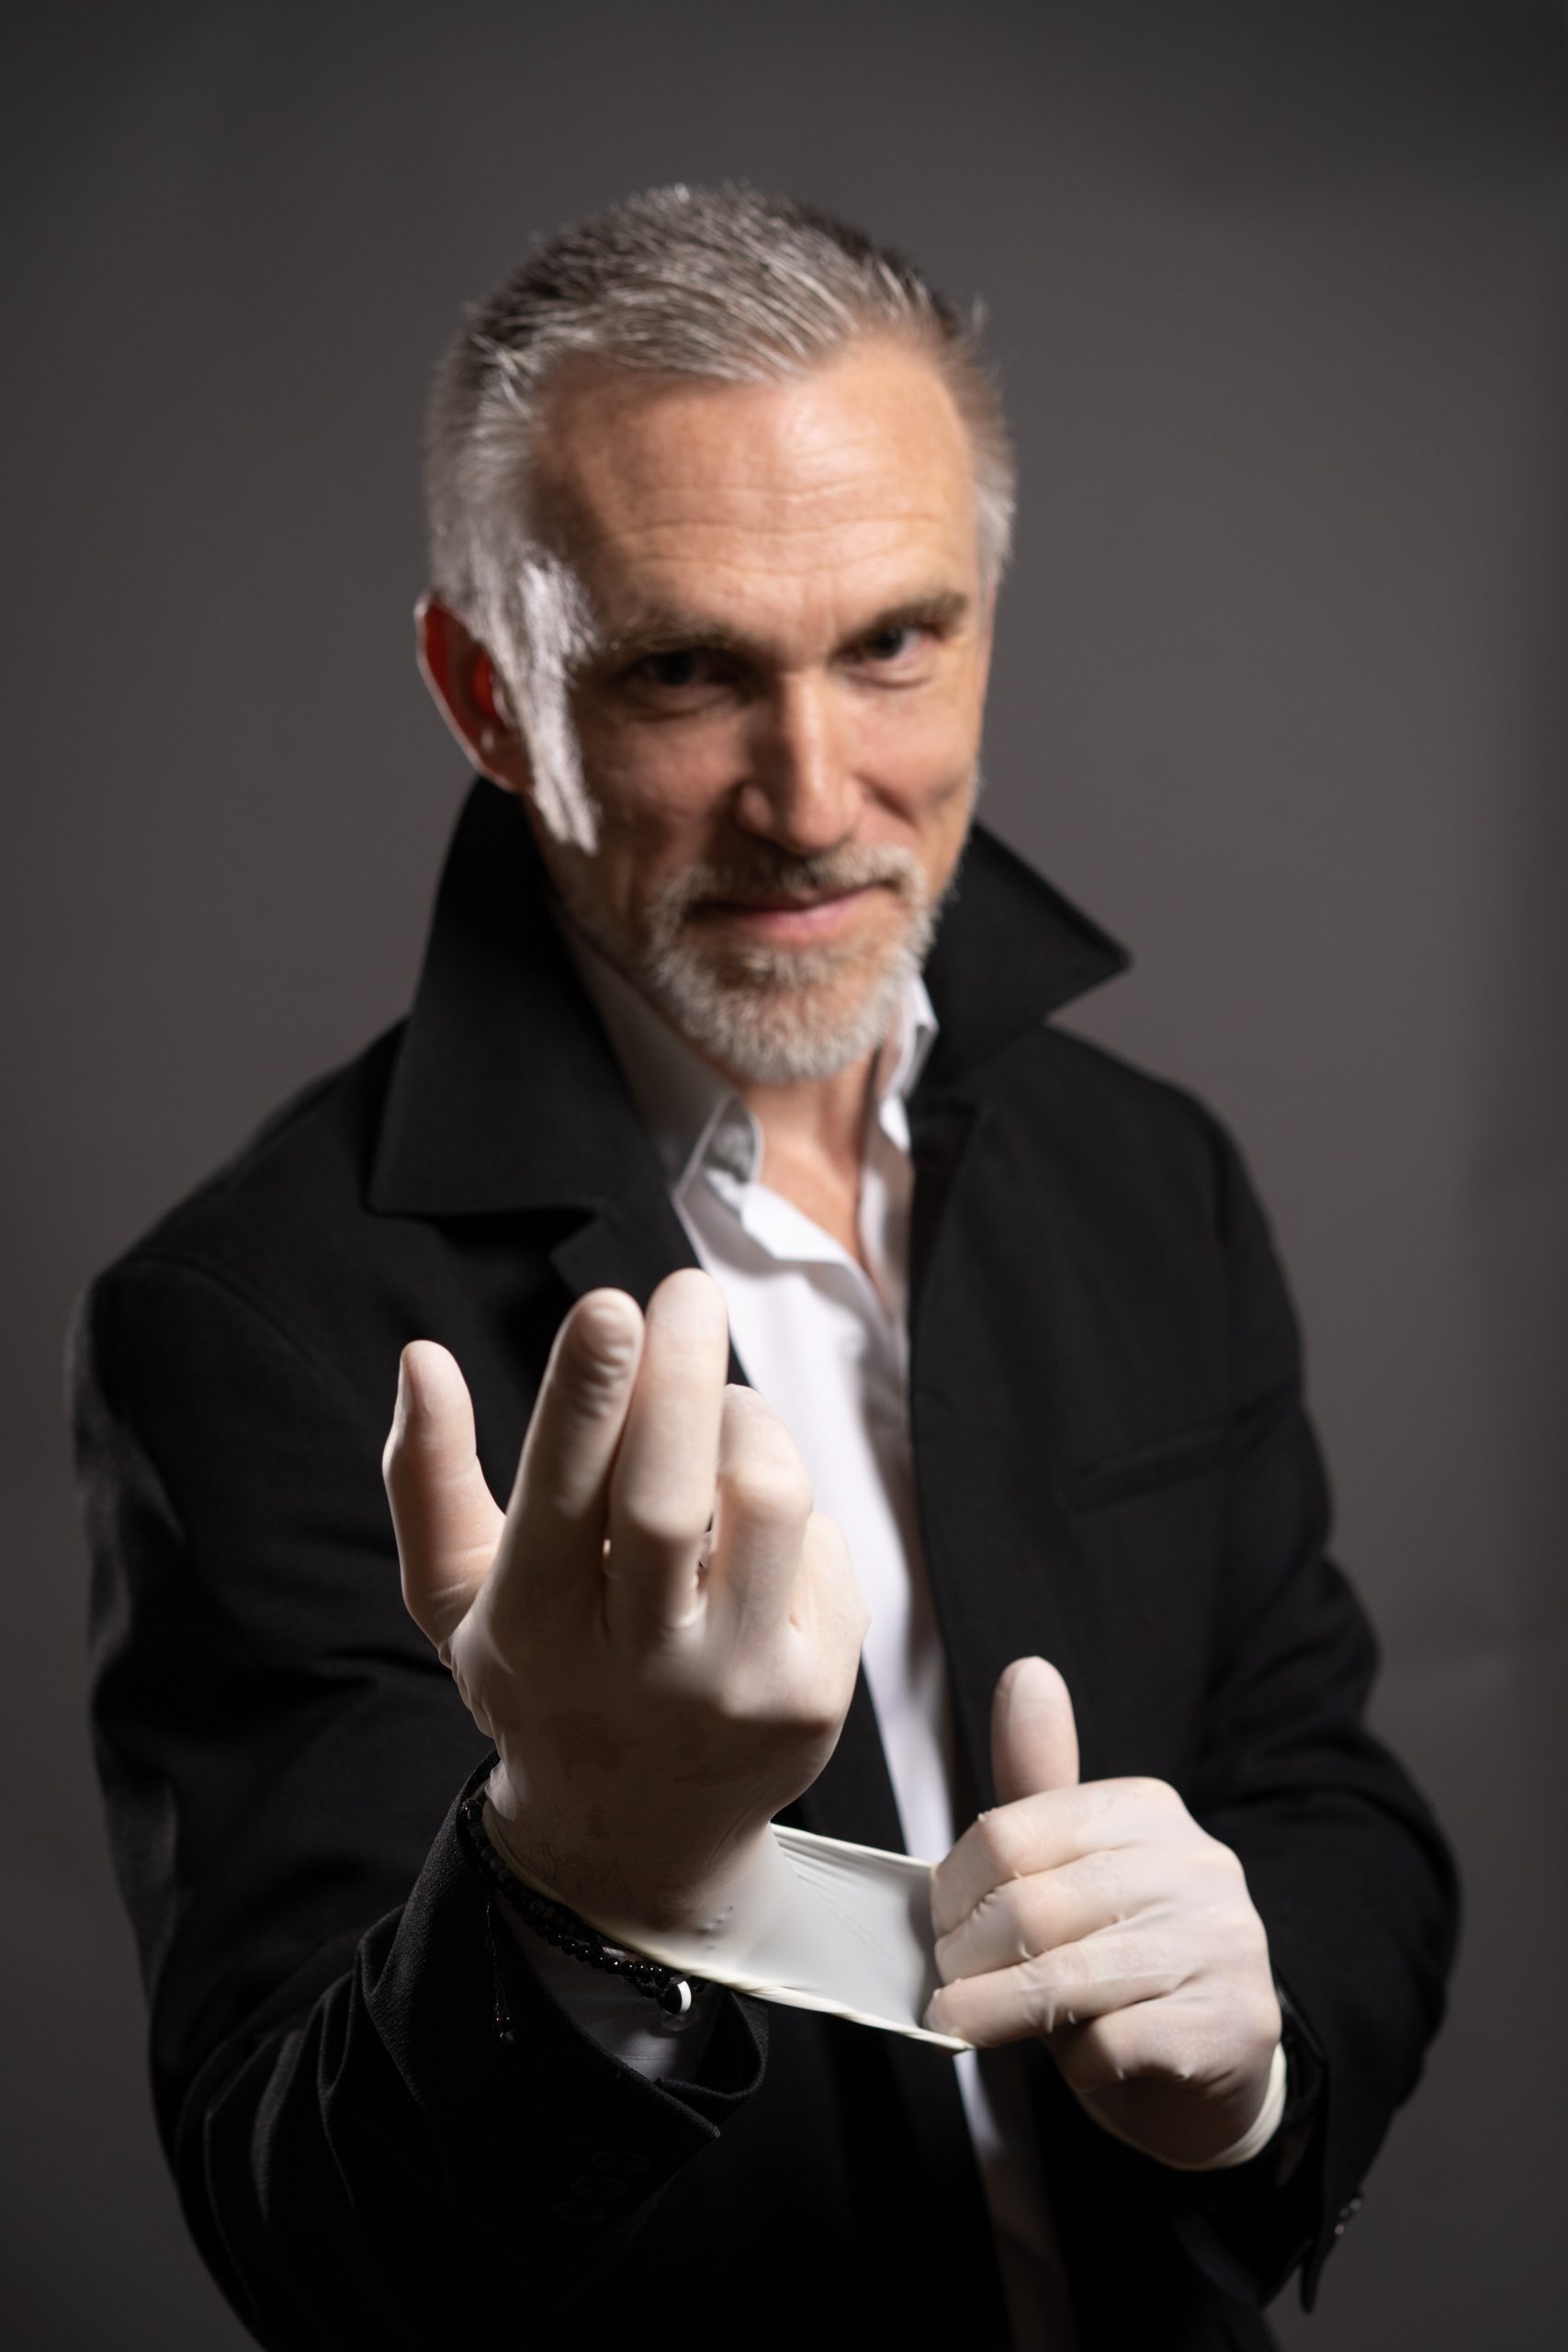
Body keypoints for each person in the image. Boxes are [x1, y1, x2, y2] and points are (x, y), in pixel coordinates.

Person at [72, 186, 1457, 2351]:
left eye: (892, 641)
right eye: (683, 670)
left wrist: (1249, 2064)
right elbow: (314, 2239)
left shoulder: (1149, 1174)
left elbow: (1324, 1785)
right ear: (486, 692)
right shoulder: (251, 1322)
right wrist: (576, 1879)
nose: (812, 801)